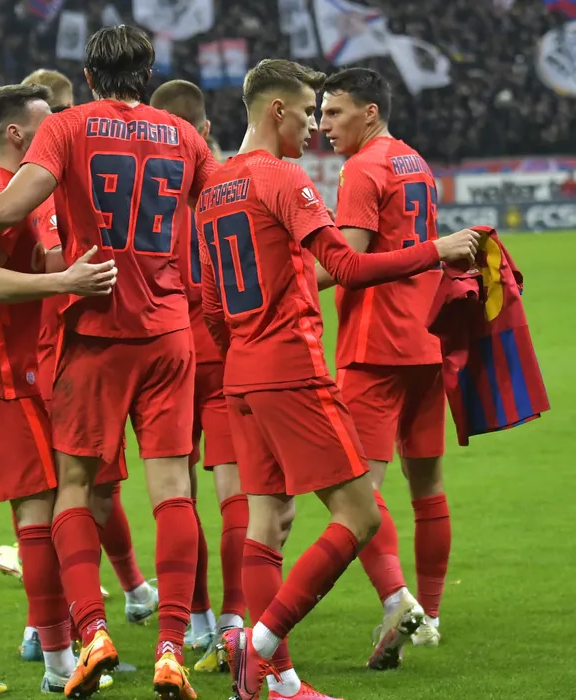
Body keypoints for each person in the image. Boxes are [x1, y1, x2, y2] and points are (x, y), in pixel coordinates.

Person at [0, 24, 220, 700]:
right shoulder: (184, 136)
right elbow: (213, 212)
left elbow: (11, 205)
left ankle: (90, 633)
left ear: (89, 78)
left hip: (94, 331)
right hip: (167, 333)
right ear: (148, 72)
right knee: (173, 491)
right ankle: (171, 647)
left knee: (72, 487)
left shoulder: (67, 127)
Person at [192, 59, 480, 700]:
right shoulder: (282, 176)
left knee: (268, 523)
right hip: (292, 369)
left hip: (242, 373)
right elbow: (346, 266)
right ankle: (257, 647)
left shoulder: (212, 188)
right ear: (276, 110)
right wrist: (436, 251)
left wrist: (242, 352)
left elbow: (211, 302)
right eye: (304, 113)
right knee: (360, 514)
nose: (311, 128)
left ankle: (283, 684)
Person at [0, 83, 119, 697]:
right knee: (41, 516)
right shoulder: (4, 192)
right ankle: (59, 664)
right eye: (46, 120)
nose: (57, 126)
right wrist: (66, 281)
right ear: (16, 133)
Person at [0, 68, 157, 667]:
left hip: (66, 348)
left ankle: (116, 599)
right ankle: (57, 628)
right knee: (77, 494)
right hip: (65, 351)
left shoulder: (38, 174)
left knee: (90, 492)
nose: (67, 121)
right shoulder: (46, 187)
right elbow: (59, 256)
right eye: (58, 113)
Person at [317, 67, 451, 660]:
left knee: (359, 494)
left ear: (369, 112)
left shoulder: (364, 168)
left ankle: (400, 602)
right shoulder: (414, 161)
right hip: (427, 337)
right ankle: (431, 614)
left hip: (375, 346)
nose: (324, 125)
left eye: (334, 112)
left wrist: (281, 286)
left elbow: (346, 262)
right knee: (428, 487)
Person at [149, 78, 253, 674]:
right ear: (206, 129)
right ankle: (235, 619)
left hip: (163, 349)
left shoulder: (144, 193)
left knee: (175, 491)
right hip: (225, 348)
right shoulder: (230, 186)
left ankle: (195, 618)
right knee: (234, 490)